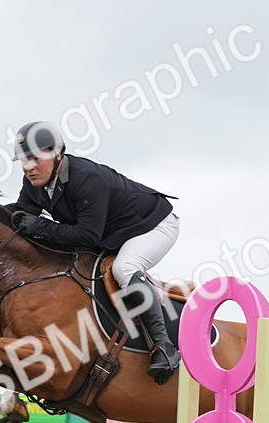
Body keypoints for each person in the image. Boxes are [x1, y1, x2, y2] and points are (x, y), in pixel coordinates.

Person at [11, 121, 181, 384]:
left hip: (152, 225)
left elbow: (87, 236)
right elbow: (19, 216)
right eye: (24, 160)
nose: (28, 167)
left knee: (124, 268)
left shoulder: (86, 178)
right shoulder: (34, 182)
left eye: (35, 159)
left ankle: (164, 346)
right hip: (112, 233)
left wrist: (41, 227)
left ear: (57, 154)